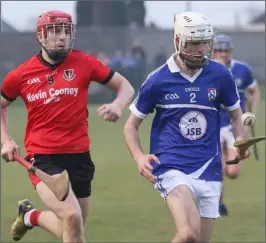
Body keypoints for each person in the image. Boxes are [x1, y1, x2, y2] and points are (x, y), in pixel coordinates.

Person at [1, 10, 134, 243]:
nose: (61, 37)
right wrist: (6, 139)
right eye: (54, 31)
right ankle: (31, 216)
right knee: (72, 217)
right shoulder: (21, 74)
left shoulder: (84, 62)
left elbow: (125, 86)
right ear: (41, 36)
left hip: (79, 156)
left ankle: (30, 216)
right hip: (43, 158)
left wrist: (119, 105)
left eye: (65, 31)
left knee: (73, 226)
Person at [123, 12, 250, 243]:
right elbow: (131, 126)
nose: (200, 49)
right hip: (172, 166)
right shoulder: (158, 80)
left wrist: (240, 142)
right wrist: (139, 157)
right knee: (189, 235)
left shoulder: (221, 75)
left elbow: (236, 116)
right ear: (178, 41)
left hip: (209, 169)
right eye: (193, 43)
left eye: (204, 42)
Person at [212, 34, 260, 216]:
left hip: (235, 125)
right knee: (217, 165)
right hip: (214, 124)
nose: (222, 53)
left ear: (230, 51)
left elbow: (254, 92)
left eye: (225, 50)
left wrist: (251, 115)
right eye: (218, 50)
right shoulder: (207, 70)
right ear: (212, 51)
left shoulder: (242, 70)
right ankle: (219, 203)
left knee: (232, 171)